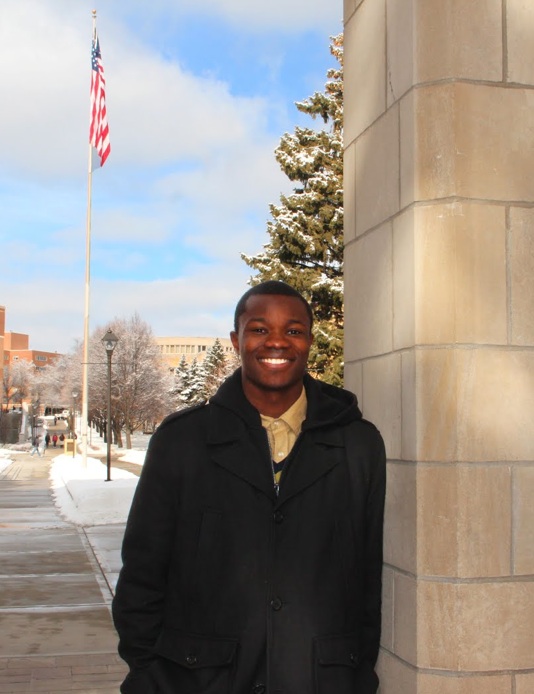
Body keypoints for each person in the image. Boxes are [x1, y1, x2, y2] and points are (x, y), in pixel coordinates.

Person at [112, 281, 387, 694]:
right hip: (196, 680)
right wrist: (149, 673)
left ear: (309, 341)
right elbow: (143, 575)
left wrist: (355, 675)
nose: (276, 342)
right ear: (235, 340)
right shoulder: (182, 442)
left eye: (293, 331)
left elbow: (366, 579)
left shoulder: (358, 445)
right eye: (259, 329)